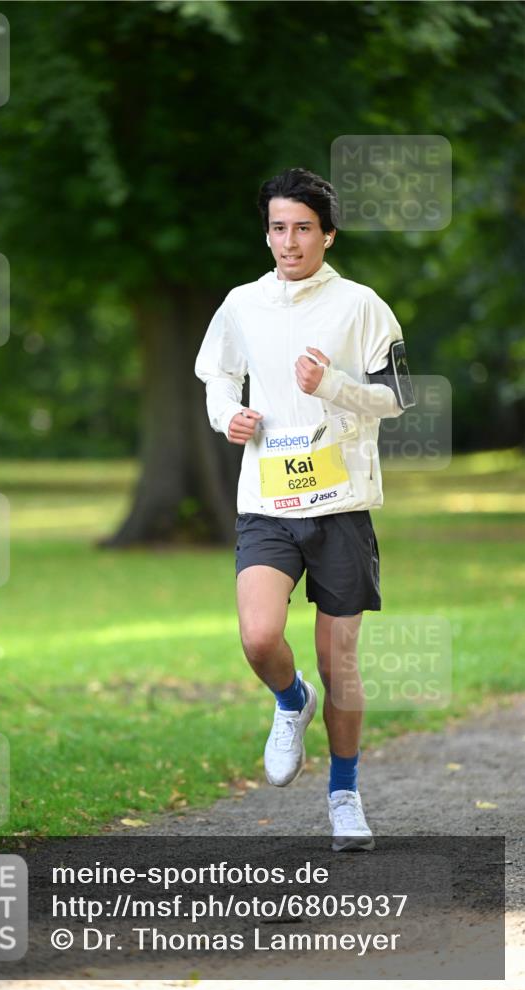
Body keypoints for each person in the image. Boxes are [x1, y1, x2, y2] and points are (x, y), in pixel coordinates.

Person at [195, 167, 407, 851]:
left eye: (303, 228)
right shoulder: (240, 304)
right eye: (278, 228)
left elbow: (396, 395)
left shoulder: (359, 305)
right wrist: (228, 415)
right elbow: (217, 376)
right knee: (258, 638)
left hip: (341, 504)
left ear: (327, 234)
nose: (289, 241)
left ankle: (343, 793)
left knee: (336, 658)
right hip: (267, 501)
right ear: (267, 234)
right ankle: (291, 703)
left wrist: (334, 385)